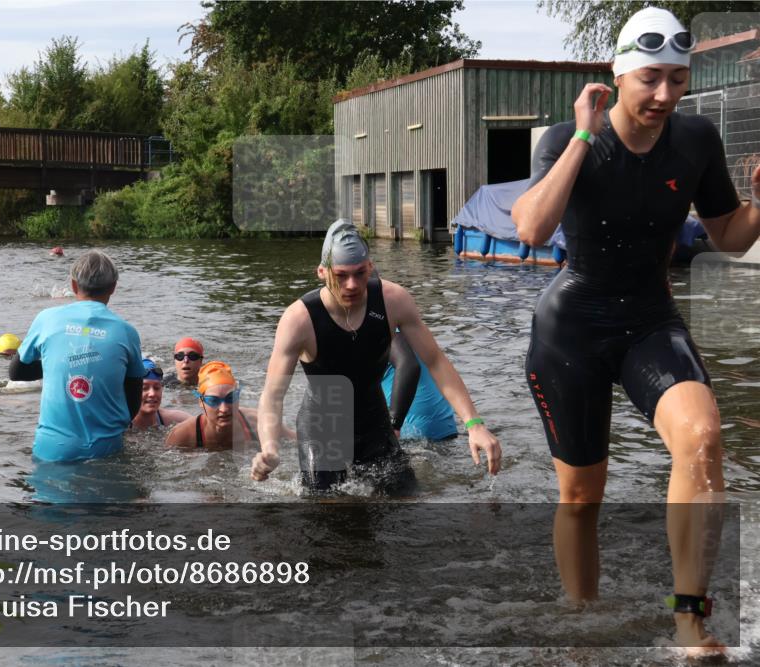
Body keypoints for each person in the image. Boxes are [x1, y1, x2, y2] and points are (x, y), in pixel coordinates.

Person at [510, 8, 760, 655]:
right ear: (618, 75)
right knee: (581, 496)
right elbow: (532, 229)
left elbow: (728, 233)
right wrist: (583, 139)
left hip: (650, 319)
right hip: (572, 330)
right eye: (651, 78)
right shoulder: (570, 136)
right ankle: (580, 618)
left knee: (703, 436)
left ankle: (689, 618)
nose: (664, 95)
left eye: (677, 80)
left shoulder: (696, 141)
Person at [251, 220, 501, 494]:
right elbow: (273, 394)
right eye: (341, 274)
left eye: (360, 273)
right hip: (323, 429)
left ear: (370, 266)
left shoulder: (393, 300)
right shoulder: (299, 319)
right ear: (322, 272)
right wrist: (270, 447)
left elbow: (435, 361)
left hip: (375, 422)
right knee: (325, 518)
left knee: (405, 507)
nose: (352, 284)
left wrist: (474, 423)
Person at [9, 250, 144, 462]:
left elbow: (16, 372)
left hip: (51, 450)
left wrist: (60, 363)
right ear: (113, 287)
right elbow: (134, 398)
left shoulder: (46, 319)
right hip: (105, 449)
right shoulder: (126, 332)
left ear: (73, 285)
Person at [166, 361, 286, 450]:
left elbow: (300, 442)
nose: (224, 409)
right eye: (213, 400)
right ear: (201, 402)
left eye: (230, 398)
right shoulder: (183, 436)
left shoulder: (260, 423)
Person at [383, 331, 458, 441]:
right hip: (445, 426)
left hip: (410, 430)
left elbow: (409, 365)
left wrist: (394, 423)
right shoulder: (412, 330)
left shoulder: (383, 330)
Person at [130, 358, 192, 431]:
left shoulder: (174, 419)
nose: (152, 394)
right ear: (131, 391)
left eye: (156, 388)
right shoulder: (120, 425)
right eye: (145, 388)